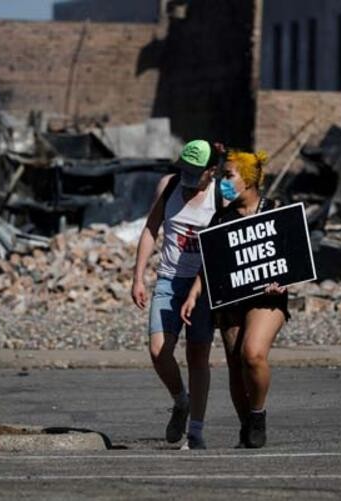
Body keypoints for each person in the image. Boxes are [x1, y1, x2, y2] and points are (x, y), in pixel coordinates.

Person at [180, 149, 289, 449]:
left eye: (228, 176)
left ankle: (258, 415)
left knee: (252, 353)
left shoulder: (276, 210)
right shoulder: (221, 217)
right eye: (220, 176)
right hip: (232, 298)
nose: (222, 182)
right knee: (235, 364)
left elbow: (295, 259)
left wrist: (283, 281)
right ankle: (246, 426)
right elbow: (210, 264)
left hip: (268, 298)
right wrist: (193, 294)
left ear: (249, 180)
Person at [131, 139, 221, 450]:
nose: (189, 178)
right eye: (186, 170)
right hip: (169, 280)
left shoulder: (221, 194)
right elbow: (150, 228)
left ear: (211, 171)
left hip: (204, 284)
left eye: (197, 172)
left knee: (198, 356)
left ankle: (195, 431)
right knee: (159, 351)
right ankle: (180, 400)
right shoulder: (168, 186)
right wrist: (138, 277)